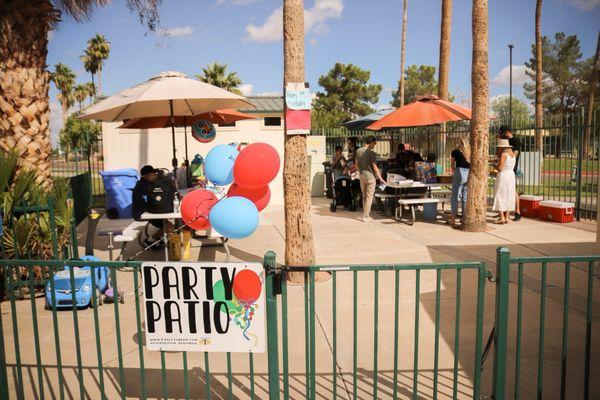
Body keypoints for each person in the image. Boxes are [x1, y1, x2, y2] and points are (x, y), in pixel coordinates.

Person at [132, 165, 176, 247]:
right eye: (154, 174)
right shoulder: (145, 186)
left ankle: (161, 238)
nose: (156, 176)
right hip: (142, 214)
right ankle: (150, 240)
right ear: (147, 175)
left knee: (166, 221)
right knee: (169, 225)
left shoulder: (145, 184)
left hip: (148, 212)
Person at [355, 136, 386, 222]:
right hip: (370, 177)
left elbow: (356, 164)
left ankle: (364, 215)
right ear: (371, 142)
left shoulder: (358, 151)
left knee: (364, 197)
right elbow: (375, 167)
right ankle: (366, 216)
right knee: (369, 197)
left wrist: (359, 172)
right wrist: (381, 178)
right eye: (374, 143)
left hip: (361, 177)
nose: (375, 144)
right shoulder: (372, 153)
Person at [499, 125, 522, 221]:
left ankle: (517, 212)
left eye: (501, 133)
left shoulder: (515, 141)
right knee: (504, 191)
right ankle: (503, 213)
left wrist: (506, 157)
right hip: (505, 168)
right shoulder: (505, 141)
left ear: (507, 132)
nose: (500, 135)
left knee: (513, 190)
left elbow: (514, 154)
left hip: (511, 168)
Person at [492, 139, 517, 224]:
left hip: (504, 175)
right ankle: (507, 217)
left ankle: (502, 217)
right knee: (509, 195)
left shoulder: (503, 155)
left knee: (500, 194)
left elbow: (500, 168)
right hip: (511, 175)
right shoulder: (513, 154)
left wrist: (494, 165)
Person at [449, 137, 470, 226]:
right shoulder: (469, 152)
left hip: (459, 171)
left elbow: (452, 164)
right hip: (468, 173)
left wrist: (455, 171)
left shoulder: (455, 152)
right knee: (465, 196)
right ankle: (464, 217)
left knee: (455, 196)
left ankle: (453, 218)